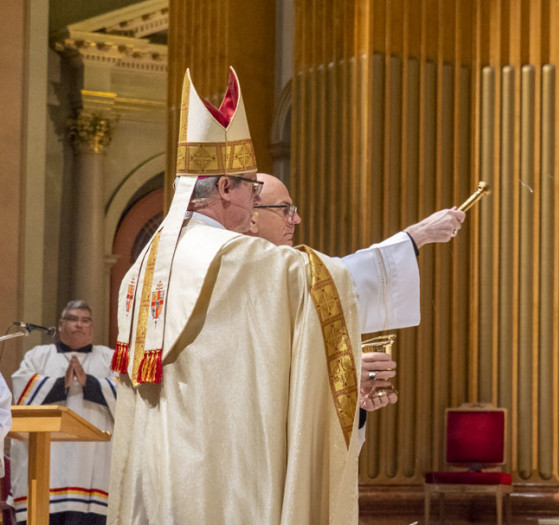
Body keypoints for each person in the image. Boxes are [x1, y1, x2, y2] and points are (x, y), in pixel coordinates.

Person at [108, 67, 463, 525]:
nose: (256, 204)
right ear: (224, 187)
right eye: (252, 190)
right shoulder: (230, 257)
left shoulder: (146, 268)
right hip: (221, 484)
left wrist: (350, 386)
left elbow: (259, 366)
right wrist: (411, 240)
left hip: (159, 489)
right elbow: (325, 286)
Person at [252, 172, 462, 412]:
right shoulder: (247, 268)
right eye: (284, 210)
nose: (296, 219)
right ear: (252, 217)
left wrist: (350, 389)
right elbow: (338, 281)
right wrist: (418, 235)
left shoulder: (278, 265)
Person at [11, 300, 116, 525]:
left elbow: (126, 396)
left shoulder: (109, 358)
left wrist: (91, 384)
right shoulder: (39, 356)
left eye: (85, 320)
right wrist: (61, 384)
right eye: (73, 319)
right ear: (60, 324)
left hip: (93, 473)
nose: (79, 325)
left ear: (92, 327)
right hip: (46, 463)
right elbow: (21, 391)